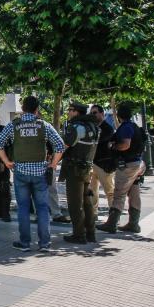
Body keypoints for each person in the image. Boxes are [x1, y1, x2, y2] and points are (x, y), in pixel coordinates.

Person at [0, 96, 64, 252]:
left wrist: (6, 161)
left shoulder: (14, 125)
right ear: (37, 109)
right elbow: (60, 145)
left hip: (20, 172)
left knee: (23, 208)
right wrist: (53, 164)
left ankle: (25, 243)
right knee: (42, 208)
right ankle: (44, 243)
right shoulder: (44, 125)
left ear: (22, 109)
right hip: (41, 173)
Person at [97, 104, 146, 234]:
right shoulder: (134, 126)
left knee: (119, 193)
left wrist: (113, 147)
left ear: (118, 116)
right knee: (134, 194)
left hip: (127, 165)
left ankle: (112, 223)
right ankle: (133, 224)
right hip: (137, 163)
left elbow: (125, 145)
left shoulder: (126, 127)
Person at [60, 102, 100, 244]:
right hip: (87, 168)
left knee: (75, 203)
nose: (68, 112)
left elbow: (63, 147)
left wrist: (53, 162)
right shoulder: (94, 127)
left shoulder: (77, 128)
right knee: (87, 201)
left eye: (70, 110)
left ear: (77, 112)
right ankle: (91, 233)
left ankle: (79, 235)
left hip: (75, 169)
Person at [89, 104, 116, 214]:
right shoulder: (92, 127)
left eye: (95, 112)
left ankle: (114, 215)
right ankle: (93, 213)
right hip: (93, 163)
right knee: (92, 191)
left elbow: (97, 141)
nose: (93, 115)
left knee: (110, 191)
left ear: (102, 114)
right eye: (91, 113)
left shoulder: (108, 128)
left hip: (104, 164)